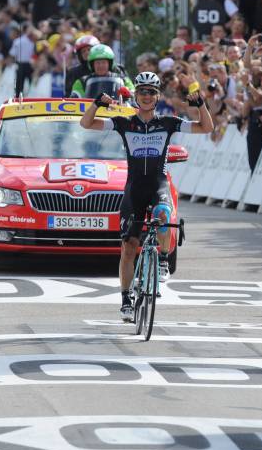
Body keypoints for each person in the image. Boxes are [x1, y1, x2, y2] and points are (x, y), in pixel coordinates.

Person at [79, 72, 213, 321]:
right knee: (129, 248)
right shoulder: (123, 123)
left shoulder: (168, 122)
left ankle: (162, 260)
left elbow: (206, 128)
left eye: (152, 92)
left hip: (157, 184)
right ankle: (126, 299)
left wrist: (201, 106)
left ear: (158, 96)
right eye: (143, 91)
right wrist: (96, 104)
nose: (147, 96)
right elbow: (86, 124)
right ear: (137, 95)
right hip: (134, 188)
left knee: (163, 214)